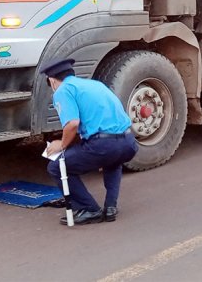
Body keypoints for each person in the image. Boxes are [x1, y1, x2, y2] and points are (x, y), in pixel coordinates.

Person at [41, 58, 138, 225]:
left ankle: (89, 209)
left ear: (52, 80)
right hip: (128, 142)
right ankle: (110, 208)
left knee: (56, 167)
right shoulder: (95, 85)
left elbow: (72, 123)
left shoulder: (63, 90)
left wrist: (61, 144)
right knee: (113, 161)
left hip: (104, 145)